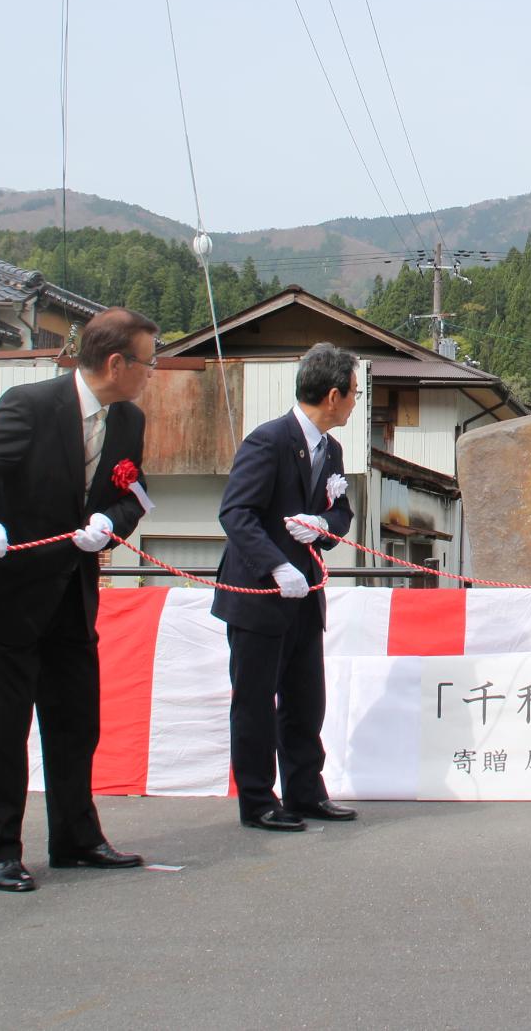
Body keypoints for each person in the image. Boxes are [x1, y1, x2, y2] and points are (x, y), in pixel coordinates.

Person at [0, 307, 157, 891]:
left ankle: (76, 837)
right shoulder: (31, 405)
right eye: (148, 362)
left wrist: (110, 521)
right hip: (12, 593)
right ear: (116, 363)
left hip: (73, 593)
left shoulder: (128, 420)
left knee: (76, 721)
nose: (151, 373)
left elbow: (134, 496)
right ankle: (1, 849)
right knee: (6, 728)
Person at [214, 342, 360, 832]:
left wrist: (322, 522)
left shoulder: (332, 449)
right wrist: (277, 565)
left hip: (305, 597)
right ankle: (257, 799)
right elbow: (237, 514)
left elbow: (342, 514)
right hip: (259, 595)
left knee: (305, 699)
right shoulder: (268, 440)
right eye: (355, 394)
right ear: (335, 395)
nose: (356, 402)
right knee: (255, 702)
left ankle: (305, 791)